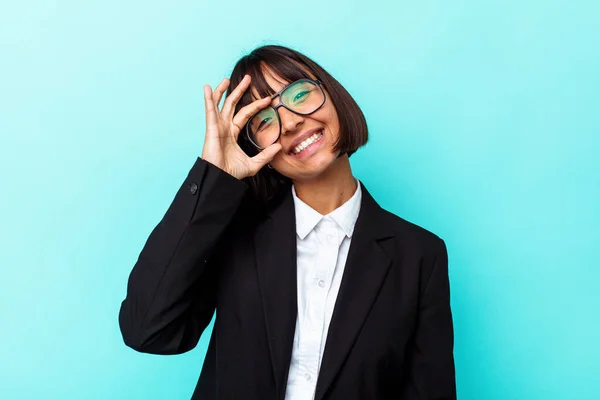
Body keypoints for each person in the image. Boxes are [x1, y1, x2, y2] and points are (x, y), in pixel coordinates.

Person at [119, 44, 456, 400]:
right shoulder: (234, 231)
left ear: (332, 94)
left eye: (299, 94)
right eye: (265, 120)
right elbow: (147, 330)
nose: (292, 121)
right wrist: (213, 177)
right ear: (255, 148)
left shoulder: (420, 255)